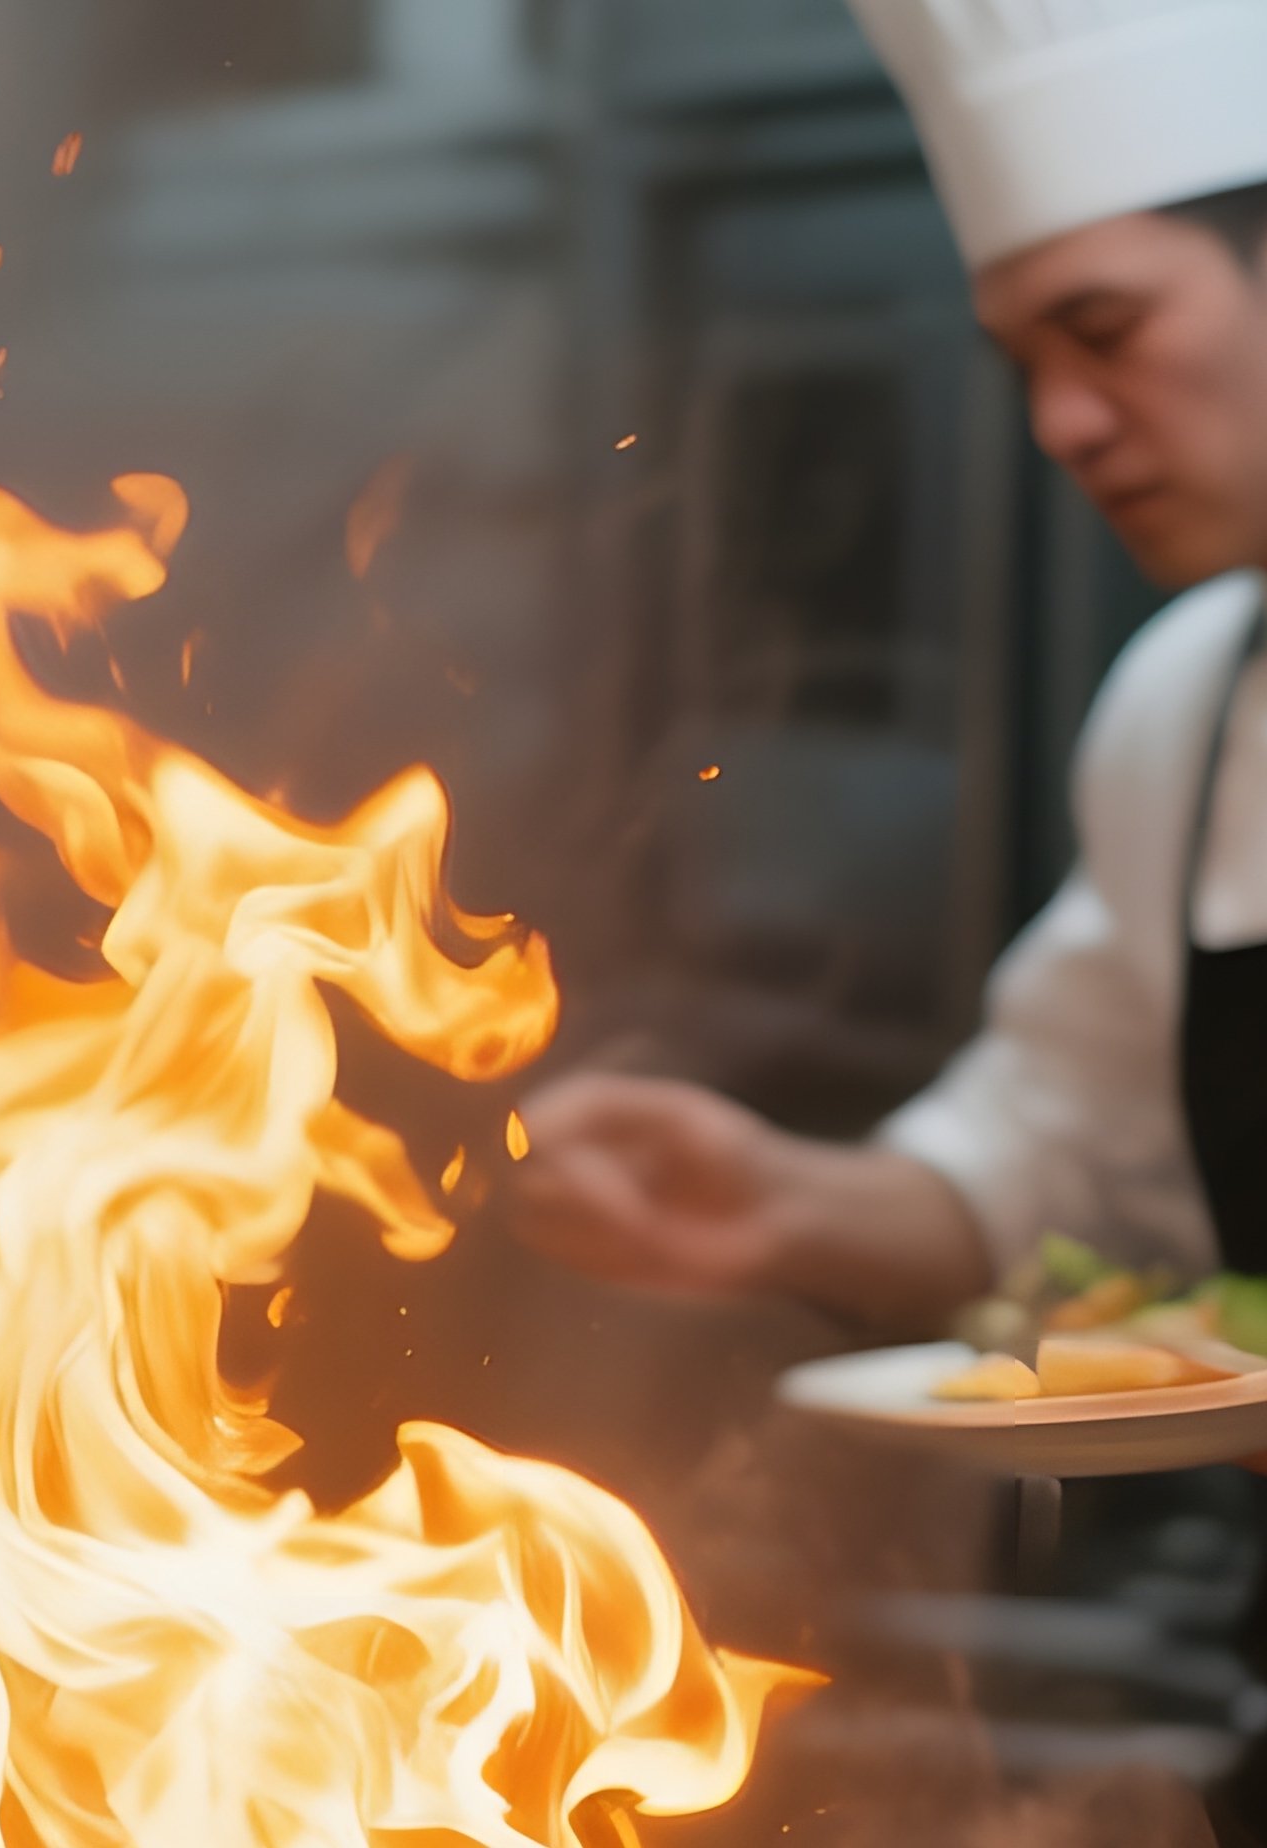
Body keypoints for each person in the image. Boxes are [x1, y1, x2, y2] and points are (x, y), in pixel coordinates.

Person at [515, 7, 1267, 1837]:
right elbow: (1063, 1171)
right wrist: (776, 1201)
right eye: (1019, 359)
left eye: (1107, 331)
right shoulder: (1195, 704)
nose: (1062, 423)